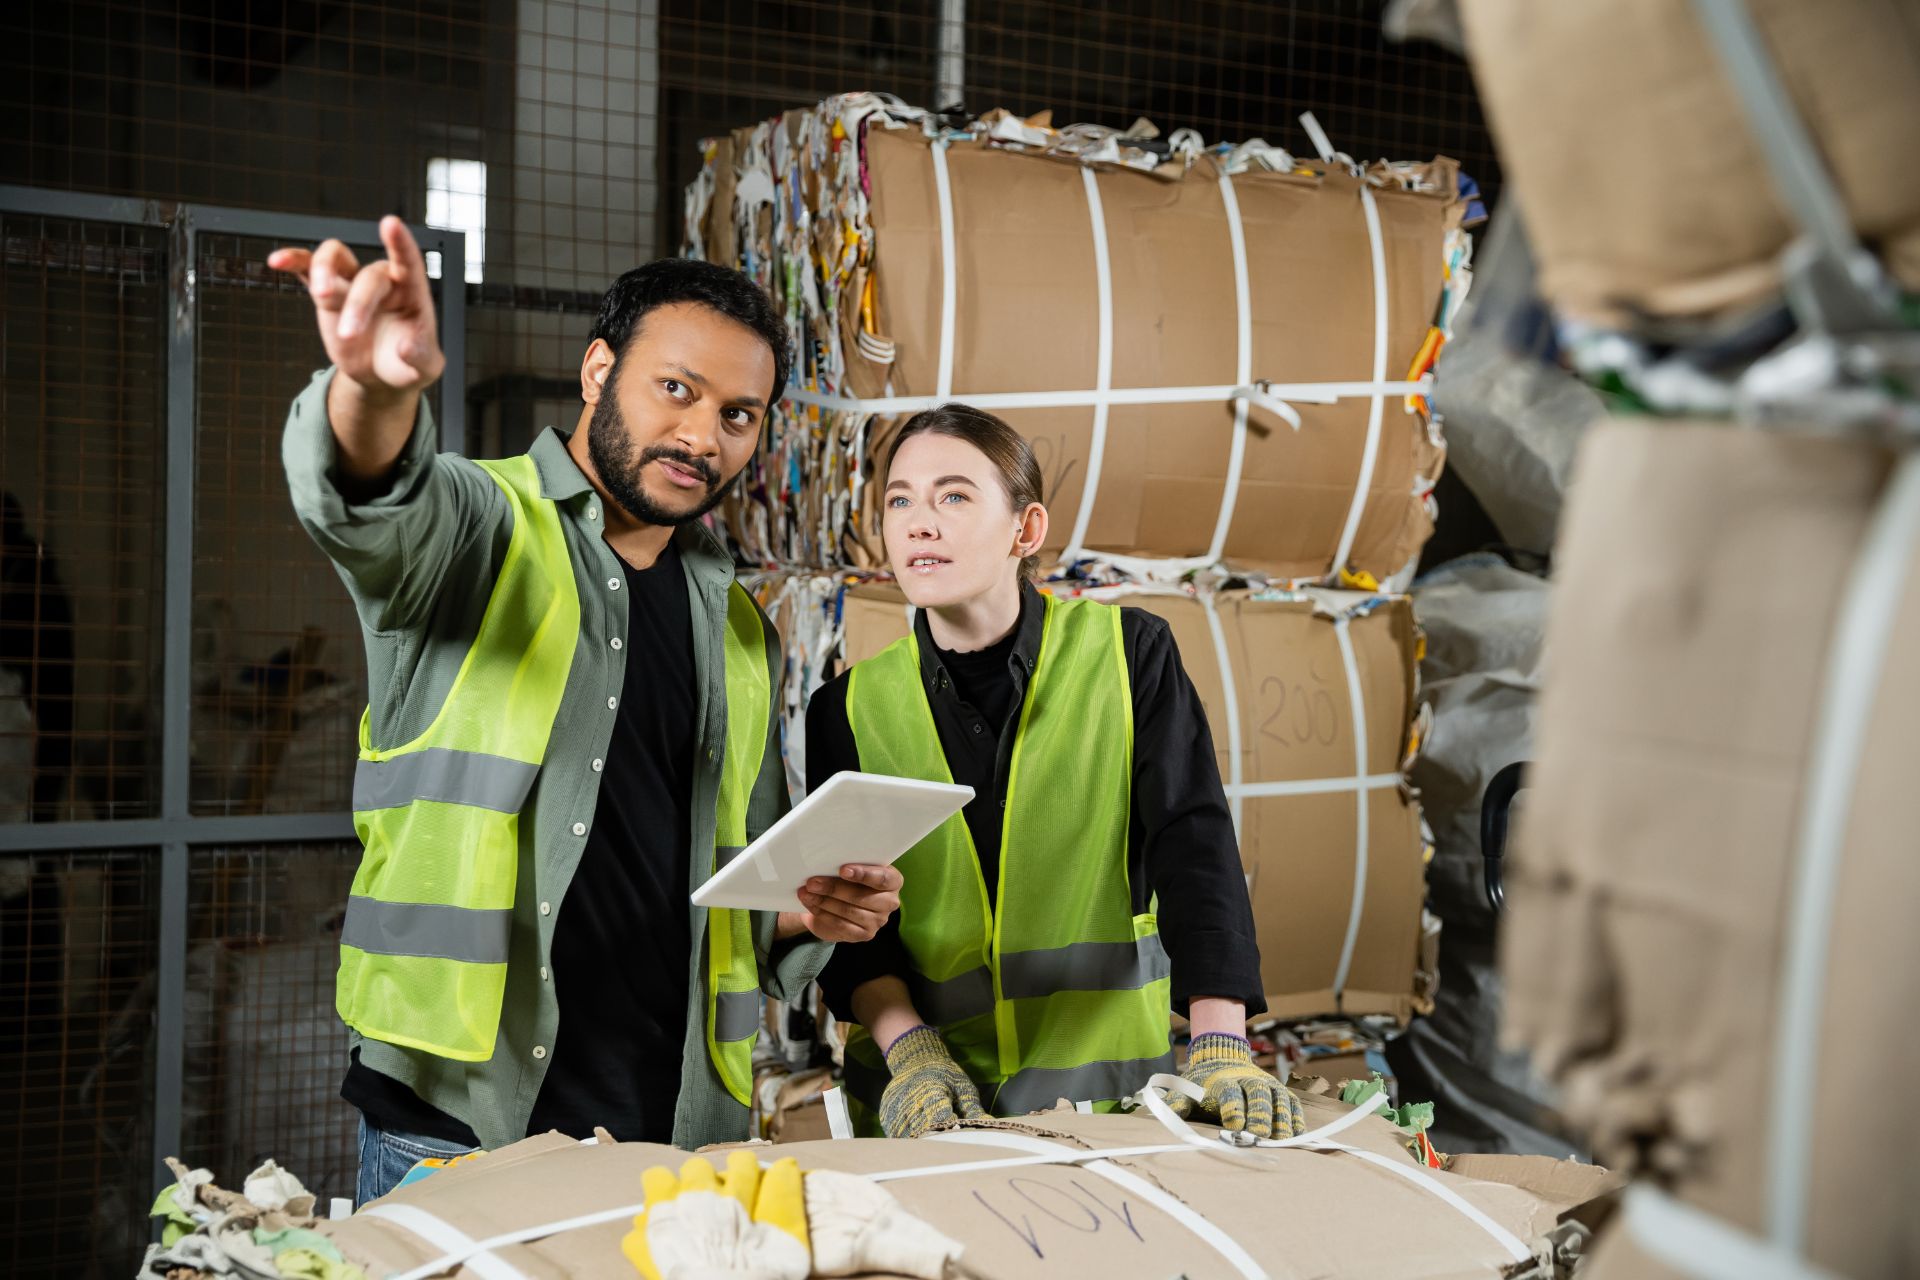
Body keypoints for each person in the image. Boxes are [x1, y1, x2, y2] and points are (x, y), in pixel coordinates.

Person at [269, 218, 903, 1203]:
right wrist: (378, 389)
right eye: (677, 389)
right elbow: (373, 497)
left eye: (740, 414)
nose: (702, 435)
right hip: (460, 1125)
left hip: (674, 1129)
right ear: (599, 369)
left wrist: (809, 909)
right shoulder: (481, 533)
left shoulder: (736, 627)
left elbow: (736, 886)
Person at [806, 403, 1301, 1139]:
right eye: (899, 500)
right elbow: (850, 924)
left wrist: (1221, 1042)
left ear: (1025, 530)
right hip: (926, 1114)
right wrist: (910, 1054)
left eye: (953, 496)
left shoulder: (1129, 655)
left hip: (1107, 1110)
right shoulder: (846, 707)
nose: (918, 521)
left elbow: (1194, 848)